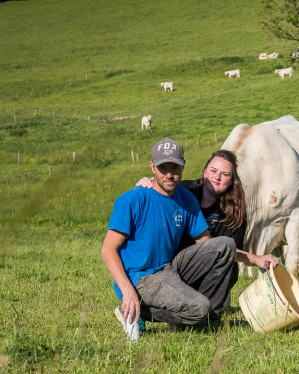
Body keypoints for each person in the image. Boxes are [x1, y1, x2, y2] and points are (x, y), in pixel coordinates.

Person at [101, 139, 247, 342]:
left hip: (169, 268)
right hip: (140, 278)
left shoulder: (186, 198)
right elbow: (108, 250)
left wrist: (253, 258)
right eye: (163, 167)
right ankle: (137, 312)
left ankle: (207, 319)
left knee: (225, 245)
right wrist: (128, 292)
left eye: (174, 167)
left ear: (183, 166)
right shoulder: (132, 200)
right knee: (199, 307)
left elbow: (206, 243)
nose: (169, 174)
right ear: (152, 167)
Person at [134, 149, 279, 315]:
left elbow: (229, 251)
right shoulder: (185, 190)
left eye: (225, 174)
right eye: (213, 171)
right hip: (171, 266)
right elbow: (160, 188)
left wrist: (257, 259)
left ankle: (209, 313)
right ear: (204, 172)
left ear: (232, 181)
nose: (217, 177)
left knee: (230, 266)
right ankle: (190, 310)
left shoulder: (235, 212)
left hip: (206, 271)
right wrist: (147, 183)